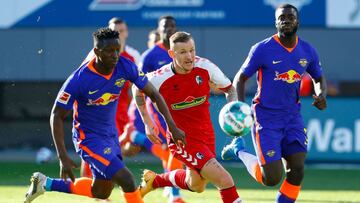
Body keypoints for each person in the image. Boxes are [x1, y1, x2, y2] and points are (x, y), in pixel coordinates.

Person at [24, 27, 184, 203]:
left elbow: (153, 94)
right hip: (88, 139)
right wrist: (62, 156)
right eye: (109, 51)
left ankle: (45, 183)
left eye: (117, 49)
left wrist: (172, 126)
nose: (115, 55)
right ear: (96, 51)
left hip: (111, 136)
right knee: (127, 180)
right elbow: (56, 115)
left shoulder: (125, 66)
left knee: (101, 192)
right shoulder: (79, 79)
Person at [221, 4, 327, 203]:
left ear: (298, 21)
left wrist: (321, 94)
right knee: (271, 178)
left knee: (297, 170)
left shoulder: (307, 50)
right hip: (265, 118)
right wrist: (242, 108)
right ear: (276, 22)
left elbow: (319, 78)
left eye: (290, 17)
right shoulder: (262, 49)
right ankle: (239, 150)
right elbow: (240, 78)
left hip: (292, 117)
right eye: (282, 17)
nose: (286, 20)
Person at [134, 31, 242, 203]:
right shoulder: (160, 77)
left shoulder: (205, 67)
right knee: (225, 180)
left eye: (192, 50)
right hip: (182, 139)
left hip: (206, 134)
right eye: (183, 52)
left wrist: (233, 110)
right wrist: (147, 122)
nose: (190, 56)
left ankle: (155, 180)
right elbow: (137, 89)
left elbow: (230, 89)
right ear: (171, 54)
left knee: (197, 185)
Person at [120, 15, 186, 203]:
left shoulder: (181, 51)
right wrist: (147, 115)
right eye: (165, 26)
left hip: (178, 109)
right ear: (159, 29)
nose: (169, 29)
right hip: (157, 108)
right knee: (172, 150)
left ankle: (134, 137)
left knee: (174, 151)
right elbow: (138, 85)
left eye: (172, 26)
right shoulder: (150, 56)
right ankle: (174, 195)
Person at [80, 17, 141, 178]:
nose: (118, 34)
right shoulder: (95, 55)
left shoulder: (133, 56)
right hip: (98, 108)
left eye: (121, 31)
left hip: (120, 110)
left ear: (126, 33)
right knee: (95, 146)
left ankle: (103, 185)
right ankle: (89, 185)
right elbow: (82, 78)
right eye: (114, 31)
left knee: (115, 149)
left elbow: (138, 85)